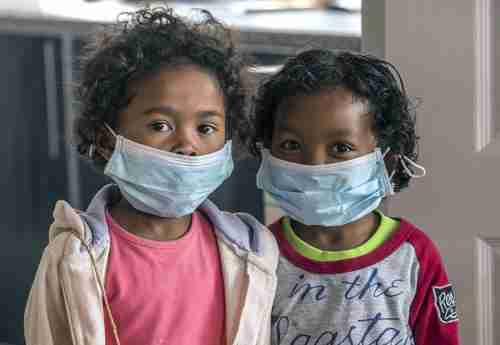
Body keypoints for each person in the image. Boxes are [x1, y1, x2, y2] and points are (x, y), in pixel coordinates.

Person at [24, 6, 278, 345]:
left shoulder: (250, 251)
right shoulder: (75, 257)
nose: (187, 144)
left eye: (206, 127)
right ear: (105, 140)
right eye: (160, 125)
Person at [249, 49, 460, 345]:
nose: (314, 165)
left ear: (385, 160)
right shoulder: (259, 256)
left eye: (341, 148)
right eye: (291, 144)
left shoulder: (413, 254)